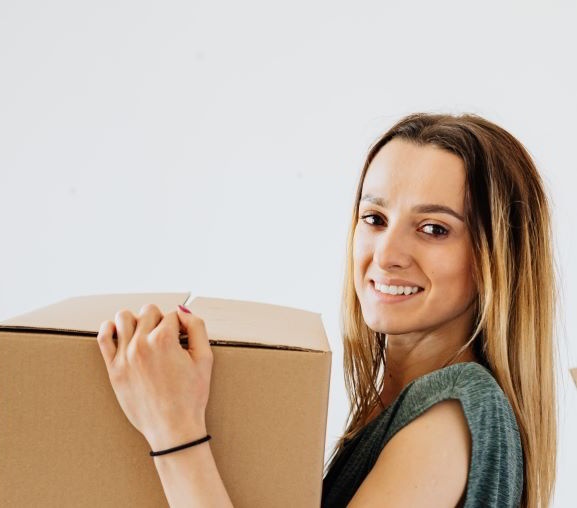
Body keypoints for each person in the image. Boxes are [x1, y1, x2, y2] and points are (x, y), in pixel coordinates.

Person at [95, 113, 558, 507]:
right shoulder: (404, 407)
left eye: (434, 228)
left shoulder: (450, 417)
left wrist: (173, 430)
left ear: (496, 259)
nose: (387, 253)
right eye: (374, 219)